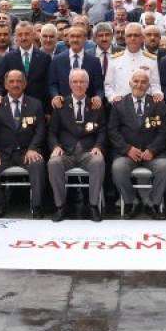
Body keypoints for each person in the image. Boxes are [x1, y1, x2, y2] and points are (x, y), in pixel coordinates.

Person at [0, 69, 47, 218]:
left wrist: (33, 148)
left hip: (26, 152)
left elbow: (40, 131)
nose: (15, 84)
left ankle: (37, 206)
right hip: (3, 154)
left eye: (19, 81)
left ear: (25, 84)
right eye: (11, 81)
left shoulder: (36, 104)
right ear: (5, 85)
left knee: (37, 164)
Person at [108, 69, 166, 219]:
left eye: (143, 82)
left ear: (148, 85)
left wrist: (152, 150)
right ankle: (131, 202)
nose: (139, 84)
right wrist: (127, 149)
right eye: (136, 81)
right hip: (127, 154)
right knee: (118, 167)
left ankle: (153, 203)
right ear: (130, 83)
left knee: (164, 167)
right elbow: (112, 131)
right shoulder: (119, 104)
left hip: (154, 154)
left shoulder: (158, 104)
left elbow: (164, 131)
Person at [47, 69, 106, 223]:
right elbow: (52, 132)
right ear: (70, 84)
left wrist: (98, 146)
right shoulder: (60, 104)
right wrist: (55, 146)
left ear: (87, 84)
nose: (78, 85)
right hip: (66, 152)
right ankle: (60, 206)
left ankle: (93, 206)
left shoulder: (96, 104)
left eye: (82, 82)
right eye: (75, 82)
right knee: (53, 163)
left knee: (98, 161)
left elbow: (102, 131)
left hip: (88, 152)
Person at [0, 21, 52, 108]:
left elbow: (48, 85)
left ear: (33, 35)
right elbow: (0, 82)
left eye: (27, 34)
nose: (23, 38)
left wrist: (48, 110)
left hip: (38, 107)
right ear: (16, 37)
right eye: (20, 35)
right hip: (14, 106)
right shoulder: (8, 58)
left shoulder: (45, 58)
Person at [48, 23, 104, 110]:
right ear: (68, 38)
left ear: (85, 39)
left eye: (78, 36)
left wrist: (98, 97)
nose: (75, 39)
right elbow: (52, 84)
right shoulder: (57, 60)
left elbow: (99, 87)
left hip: (88, 108)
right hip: (63, 107)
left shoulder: (94, 61)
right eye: (72, 36)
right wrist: (55, 96)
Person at [103, 23, 162, 103]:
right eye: (129, 35)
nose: (132, 38)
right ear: (125, 38)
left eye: (136, 35)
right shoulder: (114, 59)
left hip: (144, 105)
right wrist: (113, 97)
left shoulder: (151, 59)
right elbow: (108, 85)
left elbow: (155, 84)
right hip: (120, 104)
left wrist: (157, 93)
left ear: (142, 38)